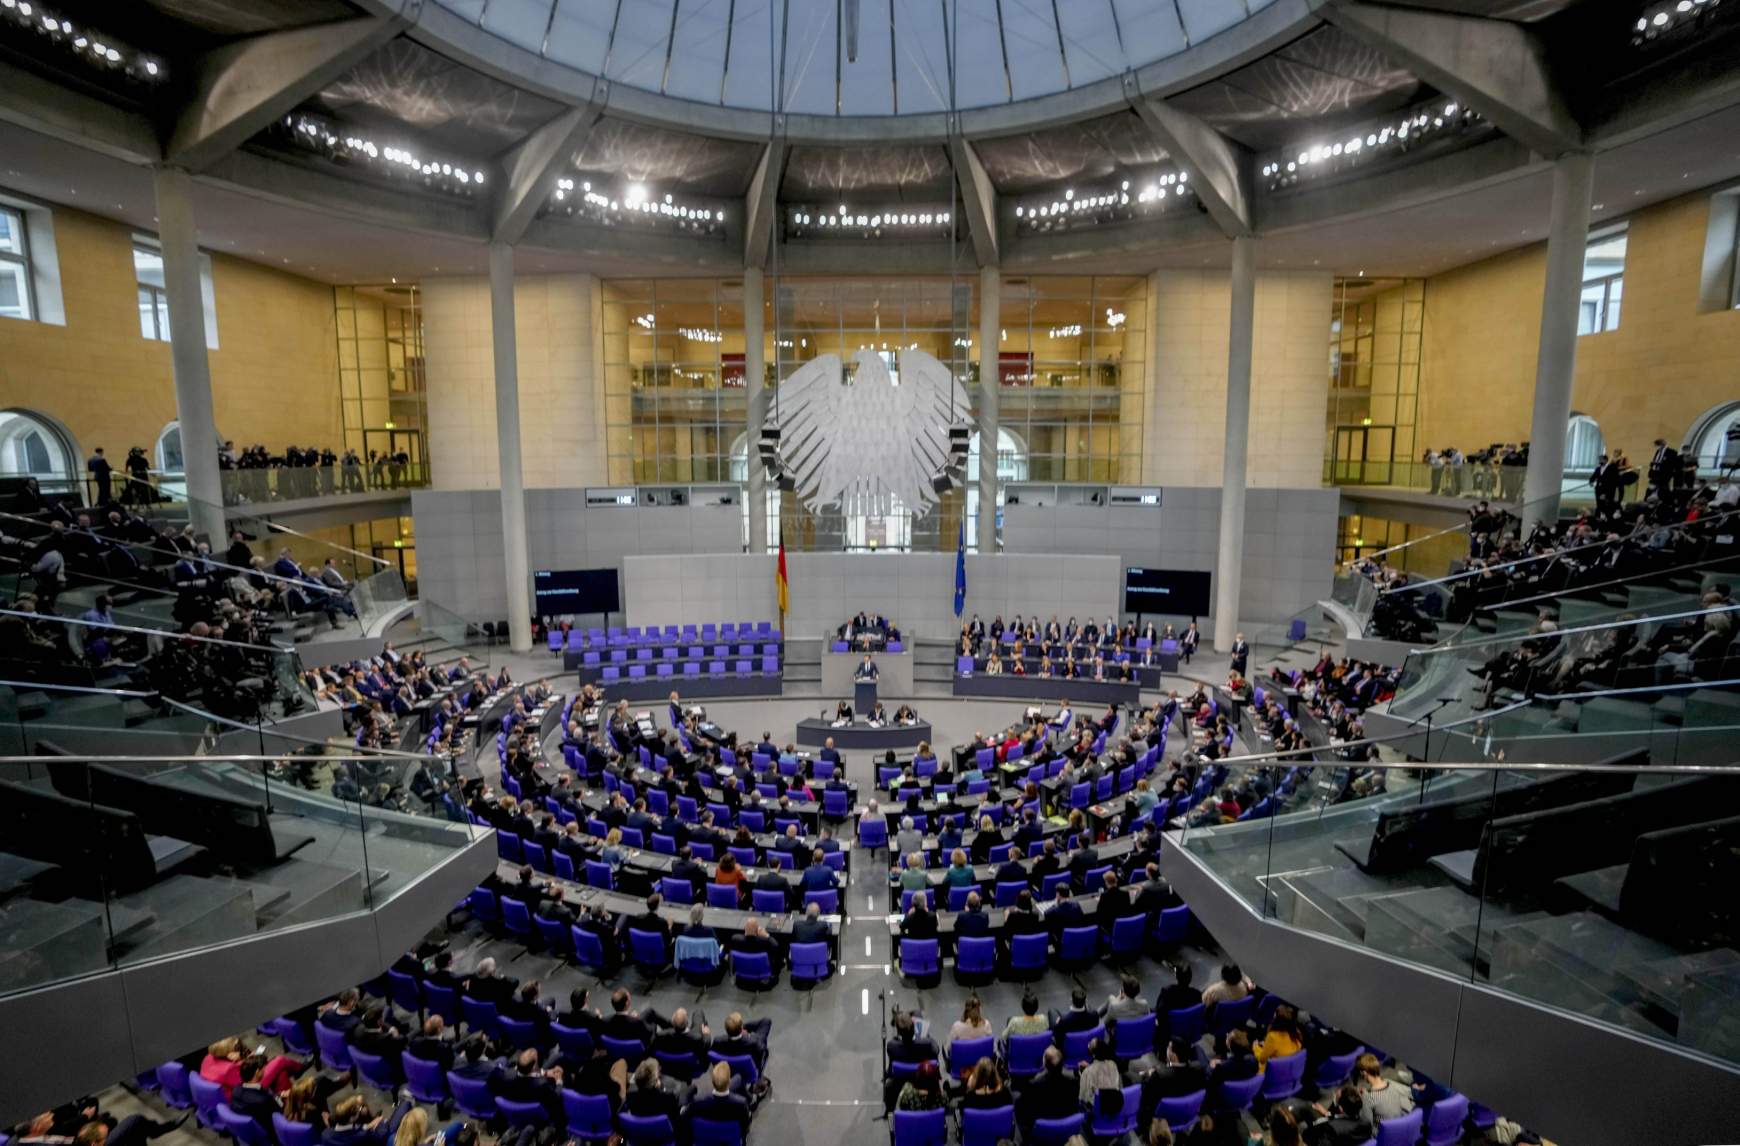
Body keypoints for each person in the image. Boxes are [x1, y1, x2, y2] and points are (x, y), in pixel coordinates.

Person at [686, 1062, 752, 1136]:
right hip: (731, 1136)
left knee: (738, 1078)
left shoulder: (698, 1101)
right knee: (738, 1078)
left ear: (712, 1082)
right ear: (729, 1082)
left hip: (708, 1134)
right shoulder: (741, 1103)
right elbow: (745, 1126)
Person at [1354, 1052, 1414, 1127]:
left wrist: (1363, 1098)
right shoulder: (1391, 1083)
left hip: (1383, 1133)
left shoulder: (1368, 1098)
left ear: (1364, 1073)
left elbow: (1366, 1124)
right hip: (1400, 1126)